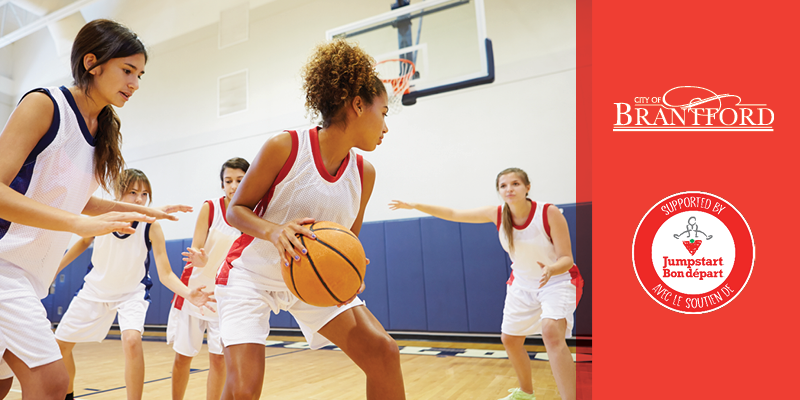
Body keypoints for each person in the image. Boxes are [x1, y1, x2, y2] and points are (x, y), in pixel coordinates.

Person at [0, 19, 189, 399]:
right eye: (127, 70)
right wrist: (79, 223)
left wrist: (143, 212)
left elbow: (72, 196)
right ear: (92, 62)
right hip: (5, 267)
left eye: (140, 74)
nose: (135, 83)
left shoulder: (100, 128)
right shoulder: (44, 104)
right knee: (51, 381)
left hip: (26, 274)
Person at [216, 39, 404, 400]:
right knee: (243, 389)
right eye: (383, 112)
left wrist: (350, 267)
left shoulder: (364, 174)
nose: (385, 126)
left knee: (383, 353)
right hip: (251, 276)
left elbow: (347, 237)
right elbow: (235, 210)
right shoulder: (285, 147)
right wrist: (274, 231)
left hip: (309, 278)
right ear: (358, 105)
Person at [389, 167, 583, 400]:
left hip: (557, 280)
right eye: (503, 185)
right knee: (510, 340)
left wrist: (552, 269)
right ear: (499, 191)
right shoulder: (497, 214)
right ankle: (526, 393)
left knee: (551, 332)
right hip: (522, 284)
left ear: (527, 187)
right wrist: (415, 205)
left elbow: (567, 258)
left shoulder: (548, 212)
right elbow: (453, 212)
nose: (509, 189)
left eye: (515, 184)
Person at [55, 169, 212, 400]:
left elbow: (166, 273)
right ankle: (68, 395)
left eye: (145, 194)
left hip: (131, 293)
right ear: (119, 193)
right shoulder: (104, 216)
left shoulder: (151, 226)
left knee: (131, 340)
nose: (140, 199)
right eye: (133, 192)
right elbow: (82, 242)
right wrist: (56, 268)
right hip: (95, 290)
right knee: (60, 346)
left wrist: (189, 293)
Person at [167, 157, 249, 400]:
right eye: (228, 181)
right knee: (183, 357)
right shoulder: (210, 208)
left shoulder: (252, 214)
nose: (233, 186)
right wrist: (199, 259)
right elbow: (196, 250)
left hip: (224, 296)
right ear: (222, 184)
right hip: (195, 291)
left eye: (239, 181)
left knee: (219, 360)